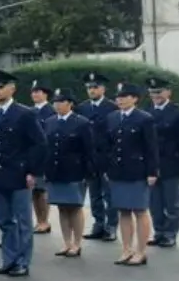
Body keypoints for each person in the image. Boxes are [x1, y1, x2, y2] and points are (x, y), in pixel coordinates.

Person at [0, 70, 46, 278]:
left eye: (0, 87)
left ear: (12, 89)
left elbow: (38, 143)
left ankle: (22, 261)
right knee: (4, 221)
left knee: (22, 221)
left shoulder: (24, 113)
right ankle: (8, 259)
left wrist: (32, 171)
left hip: (19, 173)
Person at [104, 82, 158, 267]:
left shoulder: (144, 118)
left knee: (140, 210)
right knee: (123, 210)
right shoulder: (112, 118)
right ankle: (126, 248)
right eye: (118, 96)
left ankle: (141, 251)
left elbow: (151, 148)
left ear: (134, 99)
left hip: (137, 171)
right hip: (117, 171)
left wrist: (152, 171)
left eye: (124, 96)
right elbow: (109, 145)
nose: (120, 99)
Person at [43, 89, 94, 258]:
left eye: (61, 101)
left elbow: (88, 150)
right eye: (55, 102)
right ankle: (66, 242)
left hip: (74, 171)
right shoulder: (49, 122)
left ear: (70, 103)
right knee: (62, 208)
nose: (57, 105)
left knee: (75, 207)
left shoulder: (81, 122)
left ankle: (77, 243)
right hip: (54, 171)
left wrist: (88, 172)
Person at [145, 78, 179, 249]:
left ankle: (170, 233)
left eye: (159, 92)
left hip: (172, 163)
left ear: (168, 92)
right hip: (152, 165)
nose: (155, 96)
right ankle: (159, 232)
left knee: (172, 202)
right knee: (154, 202)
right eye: (152, 93)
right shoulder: (147, 112)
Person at [77, 73, 119, 242]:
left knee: (109, 194)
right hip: (90, 158)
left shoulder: (112, 107)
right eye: (89, 88)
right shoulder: (82, 108)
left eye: (95, 87)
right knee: (94, 194)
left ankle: (111, 226)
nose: (92, 90)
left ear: (103, 88)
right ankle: (98, 224)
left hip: (107, 157)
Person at [29, 80, 54, 235]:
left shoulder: (50, 111)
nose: (35, 94)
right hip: (32, 155)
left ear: (45, 94)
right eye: (33, 92)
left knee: (43, 191)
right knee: (34, 191)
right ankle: (39, 221)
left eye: (38, 92)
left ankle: (45, 221)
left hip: (46, 155)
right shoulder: (30, 111)